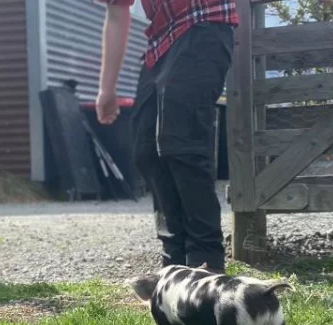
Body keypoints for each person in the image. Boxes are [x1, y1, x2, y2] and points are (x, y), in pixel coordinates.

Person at [95, 0, 237, 274]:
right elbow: (116, 12)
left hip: (205, 22)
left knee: (182, 143)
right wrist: (106, 89)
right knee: (145, 148)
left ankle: (205, 264)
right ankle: (174, 263)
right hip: (162, 42)